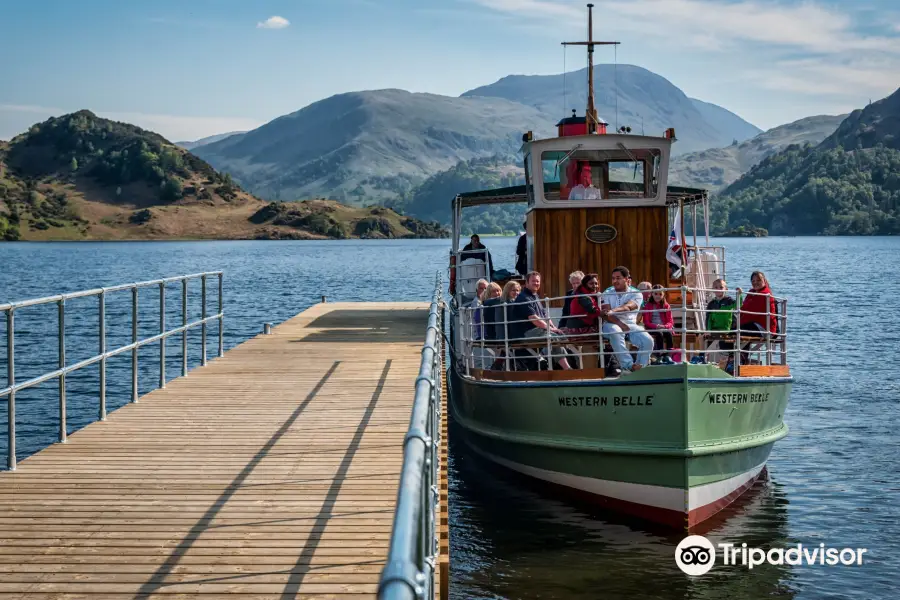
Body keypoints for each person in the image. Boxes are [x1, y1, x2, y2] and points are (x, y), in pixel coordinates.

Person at [600, 266, 654, 373]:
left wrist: (613, 311)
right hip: (610, 324)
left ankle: (640, 368)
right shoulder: (607, 292)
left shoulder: (636, 293)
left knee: (648, 340)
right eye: (613, 278)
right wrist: (620, 323)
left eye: (618, 278)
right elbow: (606, 315)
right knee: (616, 331)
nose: (615, 281)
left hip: (630, 324)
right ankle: (628, 366)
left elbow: (629, 306)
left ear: (626, 279)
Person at [513, 271, 572, 370]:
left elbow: (544, 316)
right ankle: (567, 369)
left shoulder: (534, 296)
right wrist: (551, 329)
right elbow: (534, 319)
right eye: (533, 281)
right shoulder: (523, 298)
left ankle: (565, 367)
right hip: (526, 332)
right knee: (553, 338)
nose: (536, 283)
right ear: (527, 283)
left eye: (538, 281)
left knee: (561, 335)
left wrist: (554, 328)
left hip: (538, 330)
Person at [704, 278, 737, 365]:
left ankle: (731, 359)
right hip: (716, 328)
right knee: (706, 339)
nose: (718, 289)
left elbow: (738, 305)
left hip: (729, 328)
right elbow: (708, 318)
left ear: (726, 289)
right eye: (716, 287)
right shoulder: (711, 304)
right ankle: (703, 357)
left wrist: (739, 295)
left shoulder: (729, 300)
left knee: (728, 341)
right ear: (712, 290)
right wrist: (708, 330)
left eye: (721, 287)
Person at [735, 271, 777, 336]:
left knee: (735, 332)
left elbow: (750, 312)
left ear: (764, 280)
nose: (755, 283)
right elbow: (744, 308)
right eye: (753, 281)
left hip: (764, 328)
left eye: (758, 280)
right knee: (733, 331)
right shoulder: (751, 292)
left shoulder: (765, 294)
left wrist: (738, 323)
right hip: (752, 324)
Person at [643, 284, 675, 364]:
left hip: (663, 327)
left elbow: (670, 321)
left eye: (660, 294)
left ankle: (668, 355)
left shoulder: (666, 305)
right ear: (652, 294)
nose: (658, 296)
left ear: (663, 295)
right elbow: (646, 322)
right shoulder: (648, 306)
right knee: (659, 334)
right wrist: (656, 326)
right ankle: (659, 356)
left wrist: (664, 326)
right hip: (652, 327)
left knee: (668, 334)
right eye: (656, 294)